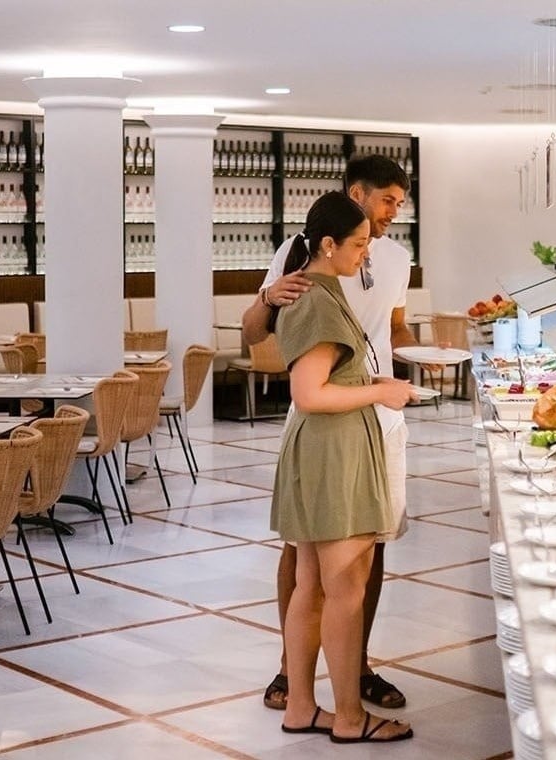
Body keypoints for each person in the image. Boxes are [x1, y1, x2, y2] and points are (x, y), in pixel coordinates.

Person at [243, 155, 420, 712]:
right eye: (388, 200)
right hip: (325, 410)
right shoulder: (300, 252)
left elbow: (393, 328)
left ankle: (356, 665)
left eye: (400, 202)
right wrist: (269, 299)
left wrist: (422, 360)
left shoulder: (396, 258)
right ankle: (291, 672)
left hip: (380, 414)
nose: (395, 212)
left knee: (372, 542)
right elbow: (255, 331)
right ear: (357, 193)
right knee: (304, 550)